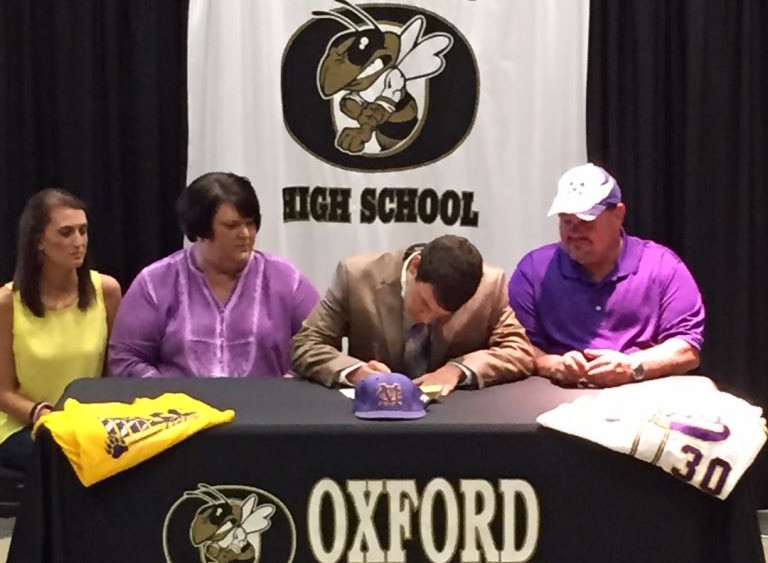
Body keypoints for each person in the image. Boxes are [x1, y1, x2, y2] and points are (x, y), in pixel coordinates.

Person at [507, 163, 705, 388]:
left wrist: (633, 367)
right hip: (557, 396)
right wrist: (551, 364)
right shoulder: (533, 269)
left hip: (644, 393)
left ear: (618, 215)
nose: (574, 232)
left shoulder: (663, 266)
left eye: (586, 221)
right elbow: (514, 343)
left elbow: (687, 349)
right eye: (566, 221)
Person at [108, 172, 319, 378]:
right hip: (181, 409)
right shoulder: (155, 282)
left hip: (268, 408)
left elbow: (319, 348)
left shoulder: (286, 279)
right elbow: (125, 359)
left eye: (250, 223)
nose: (245, 234)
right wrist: (167, 394)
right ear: (199, 229)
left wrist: (289, 389)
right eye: (232, 225)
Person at [291, 235, 534, 392]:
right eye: (425, 304)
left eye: (441, 315)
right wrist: (356, 372)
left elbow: (519, 350)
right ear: (415, 266)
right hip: (371, 421)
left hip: (451, 423)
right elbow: (306, 344)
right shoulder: (357, 276)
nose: (426, 319)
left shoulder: (489, 285)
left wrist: (458, 370)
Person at [0, 189, 121, 471]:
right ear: (39, 241)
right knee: (62, 460)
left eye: (83, 231)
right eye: (66, 233)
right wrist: (41, 413)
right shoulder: (7, 302)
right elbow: (3, 391)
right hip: (23, 424)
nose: (78, 242)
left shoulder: (107, 291)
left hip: (88, 422)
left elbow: (118, 369)